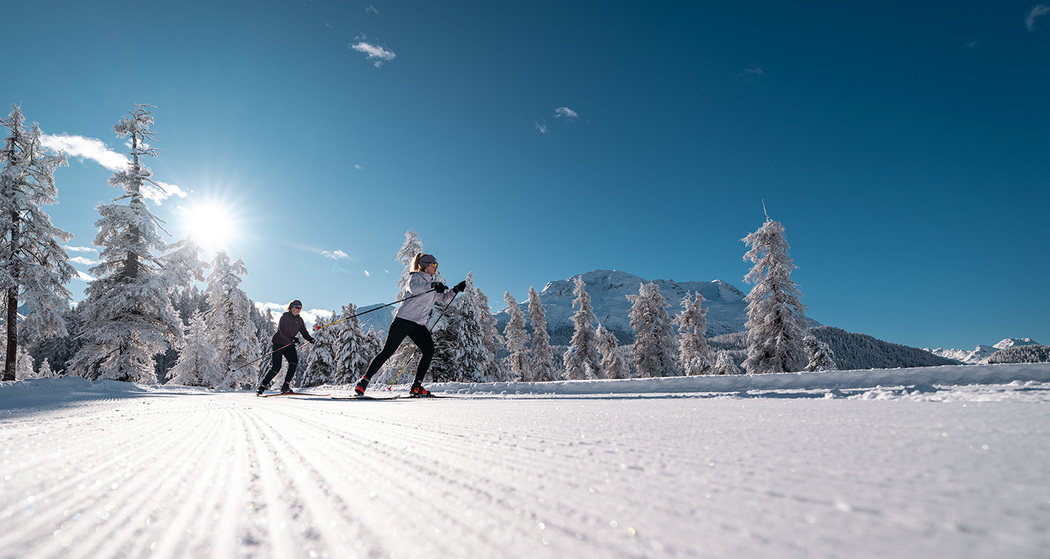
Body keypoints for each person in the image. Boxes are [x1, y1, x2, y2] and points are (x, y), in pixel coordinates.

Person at [354, 253, 465, 397]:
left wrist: (455, 290)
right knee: (388, 351)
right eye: (434, 265)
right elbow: (415, 289)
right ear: (426, 265)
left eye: (437, 265)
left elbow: (443, 298)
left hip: (418, 325)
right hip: (403, 321)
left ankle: (416, 387)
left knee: (429, 350)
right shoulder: (415, 278)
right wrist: (432, 285)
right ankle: (363, 382)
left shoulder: (432, 283)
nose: (436, 268)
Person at [256, 300, 315, 395]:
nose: (298, 310)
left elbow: (304, 332)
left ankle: (285, 386)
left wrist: (310, 339)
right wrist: (292, 338)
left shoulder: (299, 320)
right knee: (276, 367)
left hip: (289, 345)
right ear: (291, 307)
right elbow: (282, 331)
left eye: (300, 308)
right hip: (278, 343)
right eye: (296, 307)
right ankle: (262, 386)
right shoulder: (284, 317)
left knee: (294, 362)